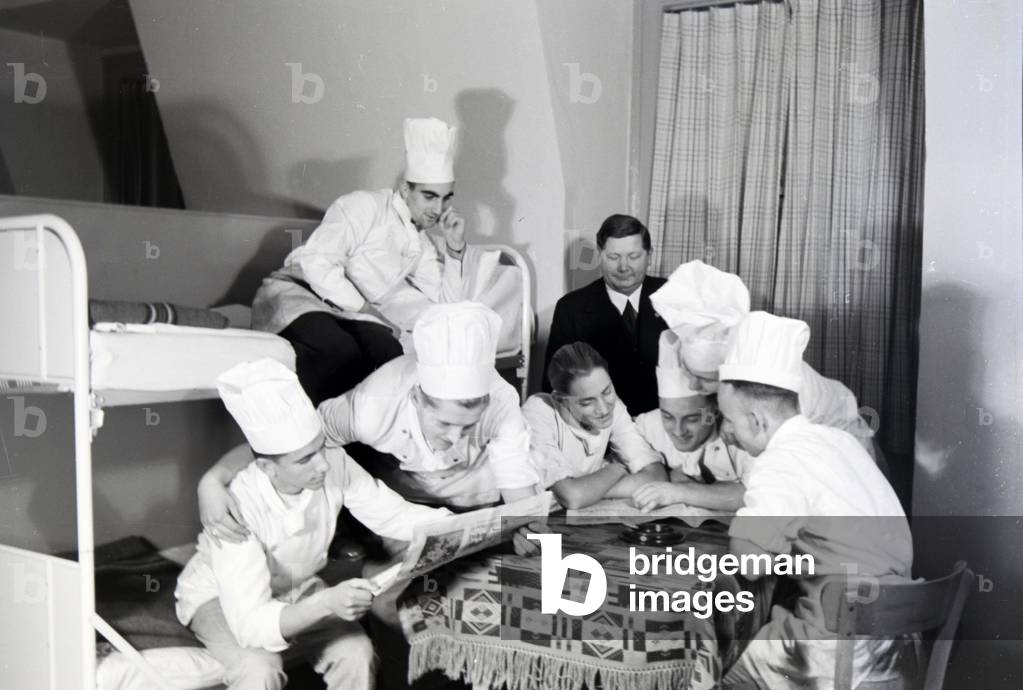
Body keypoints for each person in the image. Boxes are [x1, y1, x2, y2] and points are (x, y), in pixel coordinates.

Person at [175, 359, 448, 690]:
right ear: (266, 468)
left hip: (295, 585)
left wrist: (462, 525)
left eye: (320, 448)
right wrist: (325, 603)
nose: (321, 465)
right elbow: (251, 626)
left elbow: (393, 515)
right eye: (305, 459)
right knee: (258, 668)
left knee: (356, 650)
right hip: (221, 596)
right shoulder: (238, 509)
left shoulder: (331, 461)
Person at [198, 303, 538, 531]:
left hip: (470, 484)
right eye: (444, 423)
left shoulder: (503, 403)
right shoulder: (372, 406)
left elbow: (520, 492)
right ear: (416, 398)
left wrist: (539, 548)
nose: (454, 437)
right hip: (404, 488)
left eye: (468, 426)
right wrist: (212, 479)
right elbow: (286, 443)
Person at [713, 312, 914, 690]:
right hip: (900, 640)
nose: (727, 432)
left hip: (839, 648)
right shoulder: (838, 441)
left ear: (757, 421)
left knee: (723, 672)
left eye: (729, 421)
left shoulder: (779, 460)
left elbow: (751, 562)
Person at [250, 117, 471, 404]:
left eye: (446, 198)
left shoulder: (422, 243)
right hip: (299, 293)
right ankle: (322, 440)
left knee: (388, 353)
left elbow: (445, 307)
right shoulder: (364, 205)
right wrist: (370, 311)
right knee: (338, 351)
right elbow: (316, 263)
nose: (438, 209)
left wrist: (455, 250)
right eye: (429, 196)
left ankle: (361, 446)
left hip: (346, 312)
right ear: (405, 189)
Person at [650, 260, 878, 453]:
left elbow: (780, 453)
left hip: (841, 444)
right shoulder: (740, 382)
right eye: (691, 372)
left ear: (731, 372)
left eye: (706, 378)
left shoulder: (778, 386)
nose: (692, 384)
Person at [543, 214, 667, 415]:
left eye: (633, 256)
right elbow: (554, 386)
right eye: (613, 257)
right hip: (599, 431)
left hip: (670, 428)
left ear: (649, 256)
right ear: (600, 255)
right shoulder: (571, 308)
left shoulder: (675, 297)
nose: (623, 267)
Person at [522, 342, 665, 510]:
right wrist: (615, 470)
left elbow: (657, 477)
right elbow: (572, 497)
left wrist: (591, 490)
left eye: (607, 391)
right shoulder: (538, 412)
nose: (604, 409)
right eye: (587, 403)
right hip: (520, 522)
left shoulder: (613, 407)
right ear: (561, 400)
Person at [631, 329, 752, 513]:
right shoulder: (647, 426)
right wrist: (662, 473)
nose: (678, 431)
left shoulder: (745, 434)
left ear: (716, 411)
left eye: (692, 419)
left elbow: (754, 494)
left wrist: (679, 490)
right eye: (668, 416)